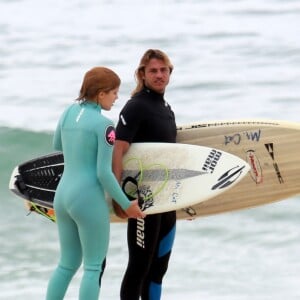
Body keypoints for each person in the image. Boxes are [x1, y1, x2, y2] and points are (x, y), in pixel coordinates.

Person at [46, 67, 145, 300]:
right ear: (101, 94)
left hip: (63, 196)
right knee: (92, 267)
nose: (116, 97)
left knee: (67, 264)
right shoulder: (105, 126)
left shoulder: (68, 112)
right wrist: (126, 204)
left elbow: (57, 144)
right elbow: (103, 174)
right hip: (87, 198)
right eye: (113, 93)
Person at [112, 49, 177, 300]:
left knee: (158, 269)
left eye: (163, 70)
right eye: (153, 71)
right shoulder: (136, 106)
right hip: (142, 201)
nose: (159, 75)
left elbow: (171, 158)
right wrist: (120, 198)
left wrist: (190, 200)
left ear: (170, 73)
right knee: (138, 268)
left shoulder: (166, 108)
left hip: (166, 203)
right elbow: (118, 151)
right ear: (142, 74)